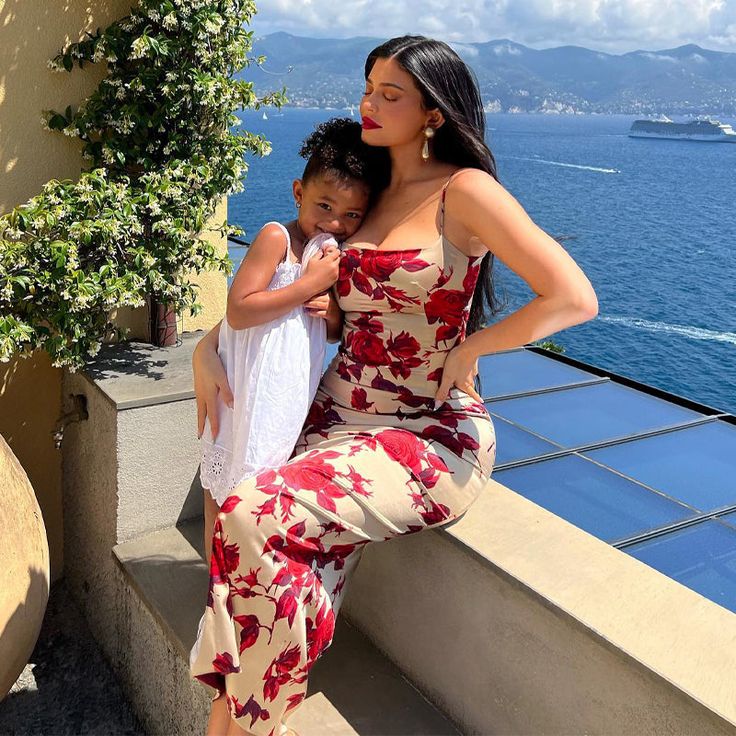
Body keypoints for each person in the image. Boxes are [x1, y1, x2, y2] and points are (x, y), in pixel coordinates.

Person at [190, 35, 598, 736]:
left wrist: (471, 345)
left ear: (433, 113)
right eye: (368, 87)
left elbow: (571, 297)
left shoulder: (463, 191)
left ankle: (244, 720)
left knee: (253, 517)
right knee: (251, 551)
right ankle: (239, 719)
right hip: (336, 417)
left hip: (424, 433)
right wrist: (207, 346)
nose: (369, 104)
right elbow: (290, 293)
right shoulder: (368, 193)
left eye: (390, 94)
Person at [197, 118, 389, 562]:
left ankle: (243, 573)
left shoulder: (331, 256)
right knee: (222, 490)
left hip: (283, 400)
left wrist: (334, 312)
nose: (336, 222)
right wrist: (308, 284)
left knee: (260, 489)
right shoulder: (276, 239)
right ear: (298, 192)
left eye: (352, 214)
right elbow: (239, 311)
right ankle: (216, 580)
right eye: (324, 206)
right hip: (241, 392)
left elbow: (331, 332)